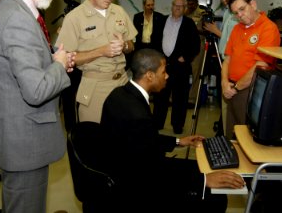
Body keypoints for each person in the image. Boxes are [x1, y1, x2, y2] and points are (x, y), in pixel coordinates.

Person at [0, 0, 75, 213]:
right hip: (23, 140)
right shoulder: (17, 19)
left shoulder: (11, 11)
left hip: (17, 136)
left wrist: (53, 60)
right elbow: (36, 89)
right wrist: (59, 65)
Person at [101, 48, 245, 213]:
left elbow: (144, 141)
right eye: (163, 71)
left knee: (197, 167)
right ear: (149, 75)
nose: (167, 76)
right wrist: (204, 180)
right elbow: (153, 170)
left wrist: (179, 141)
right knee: (215, 197)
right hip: (136, 186)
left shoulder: (119, 94)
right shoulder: (138, 115)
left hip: (126, 169)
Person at [56, 0, 137, 123]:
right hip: (95, 86)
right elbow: (66, 59)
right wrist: (101, 51)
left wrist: (124, 46)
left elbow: (132, 45)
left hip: (122, 82)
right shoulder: (74, 18)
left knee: (124, 136)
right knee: (96, 140)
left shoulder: (119, 11)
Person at [222, 0, 280, 138]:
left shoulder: (268, 28)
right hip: (232, 89)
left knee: (247, 137)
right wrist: (224, 82)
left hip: (251, 90)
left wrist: (236, 87)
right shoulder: (237, 29)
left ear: (253, 4)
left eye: (242, 9)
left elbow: (260, 65)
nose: (239, 15)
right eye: (235, 13)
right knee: (232, 134)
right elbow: (227, 59)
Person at [203, 0, 249, 135]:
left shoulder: (244, 18)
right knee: (229, 124)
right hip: (227, 72)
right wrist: (224, 80)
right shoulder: (230, 14)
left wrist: (235, 85)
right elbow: (229, 53)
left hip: (240, 81)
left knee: (240, 127)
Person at [153, 0, 200, 134]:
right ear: (171, 6)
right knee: (160, 96)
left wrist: (186, 57)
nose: (177, 8)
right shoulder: (161, 21)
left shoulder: (189, 23)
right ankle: (158, 123)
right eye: (175, 5)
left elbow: (196, 45)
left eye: (181, 6)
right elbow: (154, 40)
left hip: (180, 68)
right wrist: (157, 58)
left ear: (184, 8)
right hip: (163, 66)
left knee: (180, 98)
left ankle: (177, 125)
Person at [184, 0, 208, 106]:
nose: (191, 6)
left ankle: (192, 99)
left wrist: (194, 29)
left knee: (196, 72)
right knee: (182, 71)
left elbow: (207, 30)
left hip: (199, 45)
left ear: (197, 1)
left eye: (192, 4)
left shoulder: (202, 13)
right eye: (189, 4)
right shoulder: (185, 12)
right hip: (185, 45)